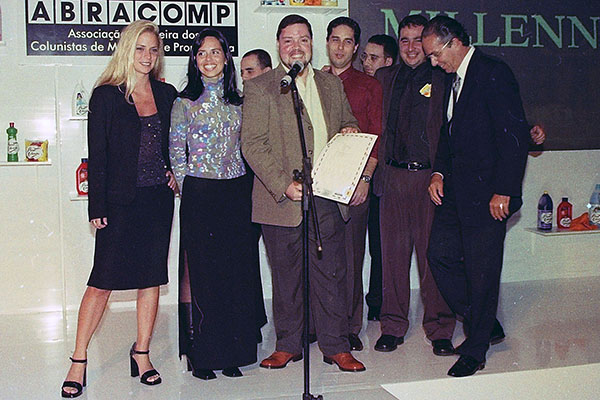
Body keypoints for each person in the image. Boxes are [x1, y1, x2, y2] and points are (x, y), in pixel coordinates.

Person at [60, 20, 178, 398]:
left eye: (153, 49)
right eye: (140, 48)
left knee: (151, 278)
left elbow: (177, 143)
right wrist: (96, 205)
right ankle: (78, 360)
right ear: (127, 49)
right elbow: (99, 154)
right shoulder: (106, 96)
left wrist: (175, 171)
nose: (147, 56)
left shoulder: (167, 93)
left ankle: (141, 353)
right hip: (119, 203)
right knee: (102, 282)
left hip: (157, 200)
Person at [241, 14, 365, 373]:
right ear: (278, 45)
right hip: (282, 200)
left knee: (330, 274)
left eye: (303, 39)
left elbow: (349, 122)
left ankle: (336, 346)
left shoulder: (330, 84)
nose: (296, 46)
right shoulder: (262, 86)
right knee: (287, 277)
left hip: (326, 195)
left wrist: (348, 128)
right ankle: (287, 345)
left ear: (312, 44)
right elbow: (252, 144)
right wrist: (283, 184)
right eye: (288, 40)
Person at [422, 16, 530, 377]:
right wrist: (438, 171)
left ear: (453, 42)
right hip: (455, 192)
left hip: (488, 194)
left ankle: (476, 348)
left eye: (436, 55)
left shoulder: (493, 72)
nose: (434, 63)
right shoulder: (452, 80)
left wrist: (506, 190)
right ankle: (484, 322)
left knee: (483, 271)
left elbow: (514, 136)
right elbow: (448, 134)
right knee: (438, 254)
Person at [170, 28, 260, 380]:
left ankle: (232, 352)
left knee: (235, 276)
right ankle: (203, 355)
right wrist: (186, 185)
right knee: (205, 276)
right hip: (200, 194)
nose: (208, 59)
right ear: (195, 60)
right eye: (202, 53)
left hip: (236, 193)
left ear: (226, 58)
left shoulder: (241, 100)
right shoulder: (184, 102)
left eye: (215, 52)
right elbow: (177, 151)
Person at [372, 15, 456, 357]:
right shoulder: (384, 78)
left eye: (416, 40)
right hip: (391, 176)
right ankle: (392, 326)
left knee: (431, 257)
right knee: (391, 258)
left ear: (427, 42)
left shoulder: (443, 77)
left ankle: (439, 328)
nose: (410, 47)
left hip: (429, 179)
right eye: (403, 40)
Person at [325, 16, 382, 352]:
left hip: (354, 183)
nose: (340, 47)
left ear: (356, 47)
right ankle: (321, 324)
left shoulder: (369, 85)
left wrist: (365, 178)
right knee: (319, 260)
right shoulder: (311, 81)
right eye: (335, 39)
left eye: (348, 41)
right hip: (317, 184)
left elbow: (376, 136)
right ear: (327, 41)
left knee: (349, 258)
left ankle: (348, 328)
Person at [359, 33, 398, 322]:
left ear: (389, 61)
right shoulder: (362, 87)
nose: (366, 63)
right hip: (360, 179)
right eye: (365, 57)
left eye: (374, 58)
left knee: (382, 248)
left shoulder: (395, 89)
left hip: (388, 181)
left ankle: (380, 304)